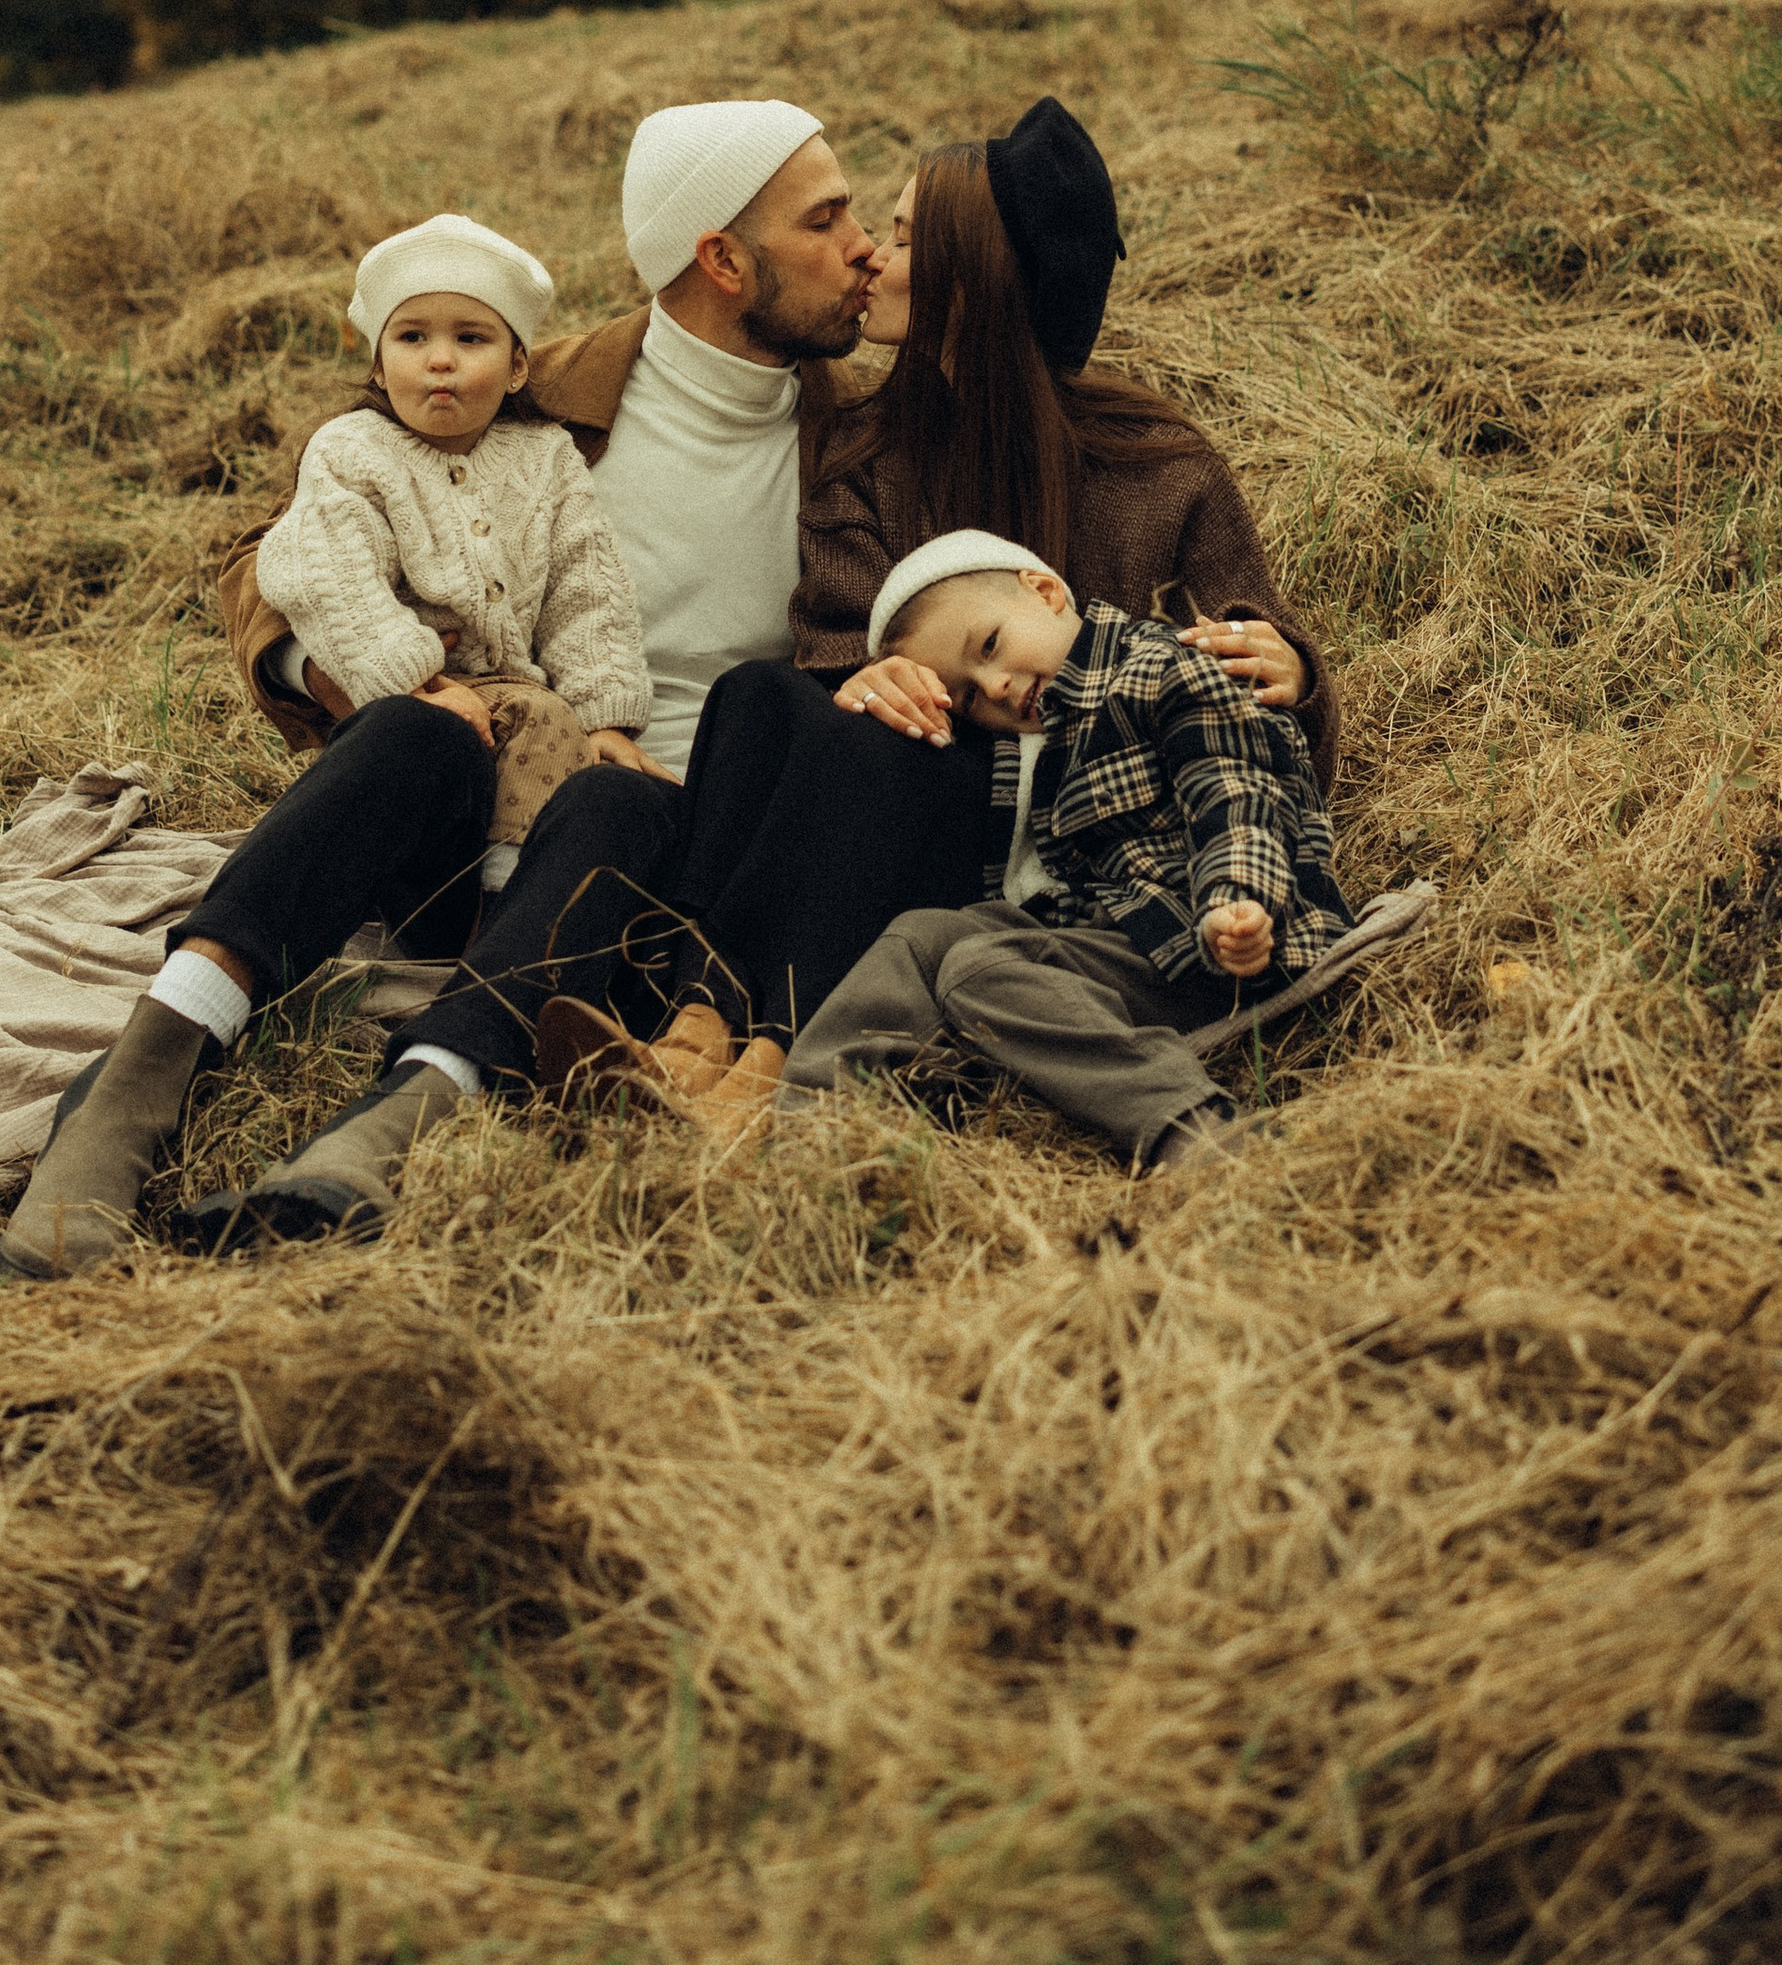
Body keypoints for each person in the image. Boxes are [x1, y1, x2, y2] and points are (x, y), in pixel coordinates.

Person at [155, 97, 881, 1251]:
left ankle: (400, 1118)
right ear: (723, 260)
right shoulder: (539, 391)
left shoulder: (866, 438)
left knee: (614, 796)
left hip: (703, 850)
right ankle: (165, 1068)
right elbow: (274, 553)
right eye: (831, 217)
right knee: (461, 758)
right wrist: (357, 675)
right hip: (506, 798)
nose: (868, 245)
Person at [539, 98, 1336, 1122]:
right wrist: (863, 672)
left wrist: (1297, 672)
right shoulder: (867, 453)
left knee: (876, 753)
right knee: (766, 695)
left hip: (1064, 833)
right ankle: (694, 1025)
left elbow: (1258, 719)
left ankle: (756, 1057)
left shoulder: (1156, 467)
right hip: (887, 795)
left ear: (976, 273)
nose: (870, 253)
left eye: (907, 236)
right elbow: (828, 635)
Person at [0, 212, 648, 1280]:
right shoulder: (352, 450)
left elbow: (588, 593)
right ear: (375, 355)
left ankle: (436, 1055)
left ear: (518, 360)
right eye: (415, 338)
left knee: (586, 769)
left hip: (580, 776)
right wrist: (412, 676)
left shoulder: (549, 461)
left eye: (473, 341)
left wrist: (612, 714)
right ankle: (136, 1081)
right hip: (431, 742)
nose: (442, 361)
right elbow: (320, 570)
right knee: (411, 734)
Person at [778, 529, 1355, 1172]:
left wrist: (1236, 901)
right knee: (924, 936)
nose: (993, 686)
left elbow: (1238, 791)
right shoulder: (1053, 734)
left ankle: (1196, 1129)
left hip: (1227, 944)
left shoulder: (1167, 667)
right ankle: (810, 1126)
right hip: (1138, 946)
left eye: (989, 646)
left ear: (1046, 591)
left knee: (979, 968)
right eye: (967, 695)